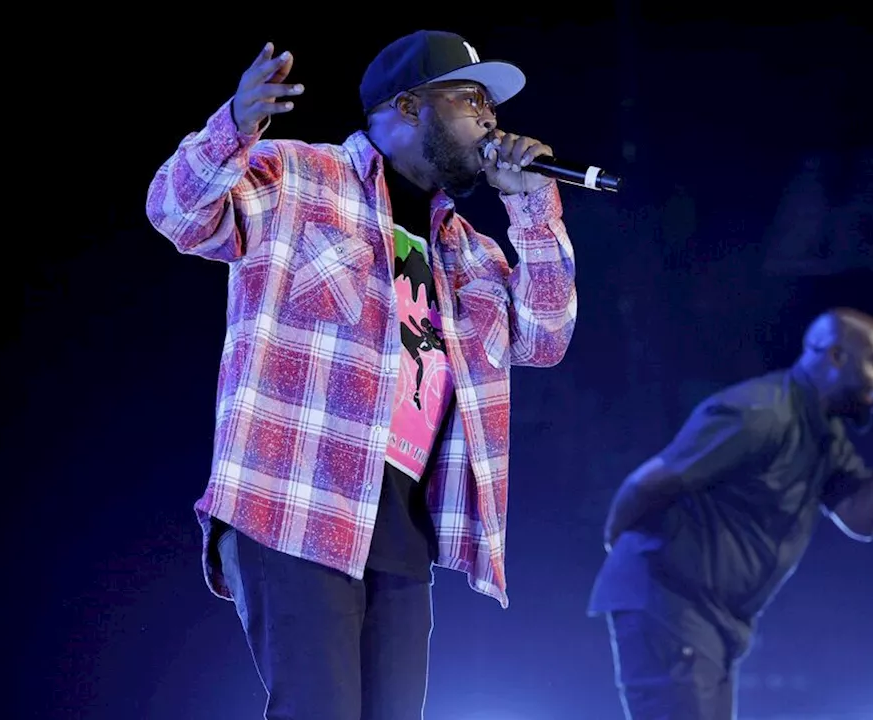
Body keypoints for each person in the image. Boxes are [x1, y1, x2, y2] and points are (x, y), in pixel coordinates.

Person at [144, 30, 578, 720]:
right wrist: (234, 124)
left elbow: (545, 338)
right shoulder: (298, 178)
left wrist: (531, 206)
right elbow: (177, 213)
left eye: (491, 106)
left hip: (403, 518)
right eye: (470, 99)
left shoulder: (472, 253)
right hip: (296, 497)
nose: (491, 119)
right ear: (407, 107)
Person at [589, 307, 873, 720]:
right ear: (836, 356)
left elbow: (861, 520)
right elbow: (647, 484)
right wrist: (623, 552)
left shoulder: (825, 435)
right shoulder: (761, 414)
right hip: (670, 605)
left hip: (713, 622)